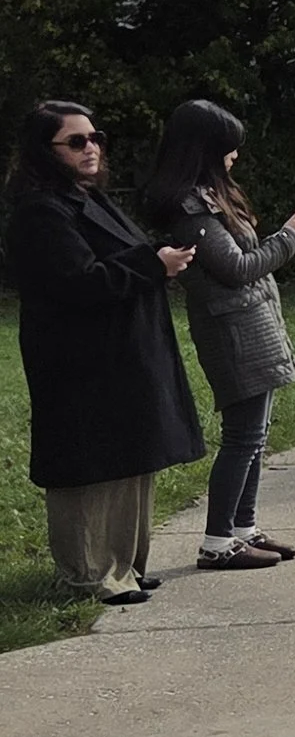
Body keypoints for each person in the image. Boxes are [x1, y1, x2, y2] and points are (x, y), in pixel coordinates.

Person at [6, 98, 201, 603]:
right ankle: (91, 573)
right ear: (45, 150)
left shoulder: (86, 195)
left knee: (132, 457)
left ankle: (125, 566)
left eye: (95, 139)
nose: (90, 148)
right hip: (79, 359)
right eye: (76, 141)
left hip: (121, 350)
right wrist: (154, 265)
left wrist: (159, 261)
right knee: (90, 466)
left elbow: (121, 258)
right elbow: (78, 280)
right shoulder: (40, 209)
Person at [140, 98, 295, 567]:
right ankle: (217, 543)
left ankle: (244, 528)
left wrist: (284, 236)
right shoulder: (191, 210)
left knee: (255, 436)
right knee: (242, 437)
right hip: (232, 332)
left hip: (251, 325)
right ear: (204, 149)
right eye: (228, 148)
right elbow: (237, 268)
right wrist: (290, 239)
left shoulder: (207, 197)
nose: (235, 156)